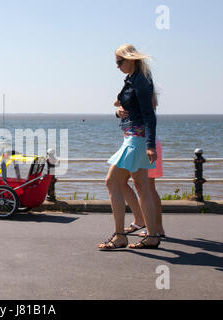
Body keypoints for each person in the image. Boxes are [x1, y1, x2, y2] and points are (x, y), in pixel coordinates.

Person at [98, 44, 160, 250]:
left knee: (111, 182)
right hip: (133, 136)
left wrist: (151, 145)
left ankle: (120, 236)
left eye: (119, 62)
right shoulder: (132, 80)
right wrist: (118, 112)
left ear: (130, 59)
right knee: (142, 187)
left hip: (137, 139)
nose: (117, 66)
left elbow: (150, 115)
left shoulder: (140, 81)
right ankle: (151, 236)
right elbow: (120, 103)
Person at [118, 105, 165, 238]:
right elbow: (118, 103)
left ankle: (157, 227)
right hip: (133, 144)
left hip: (145, 145)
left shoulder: (143, 94)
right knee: (121, 182)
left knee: (148, 187)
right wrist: (117, 111)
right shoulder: (131, 96)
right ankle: (141, 220)